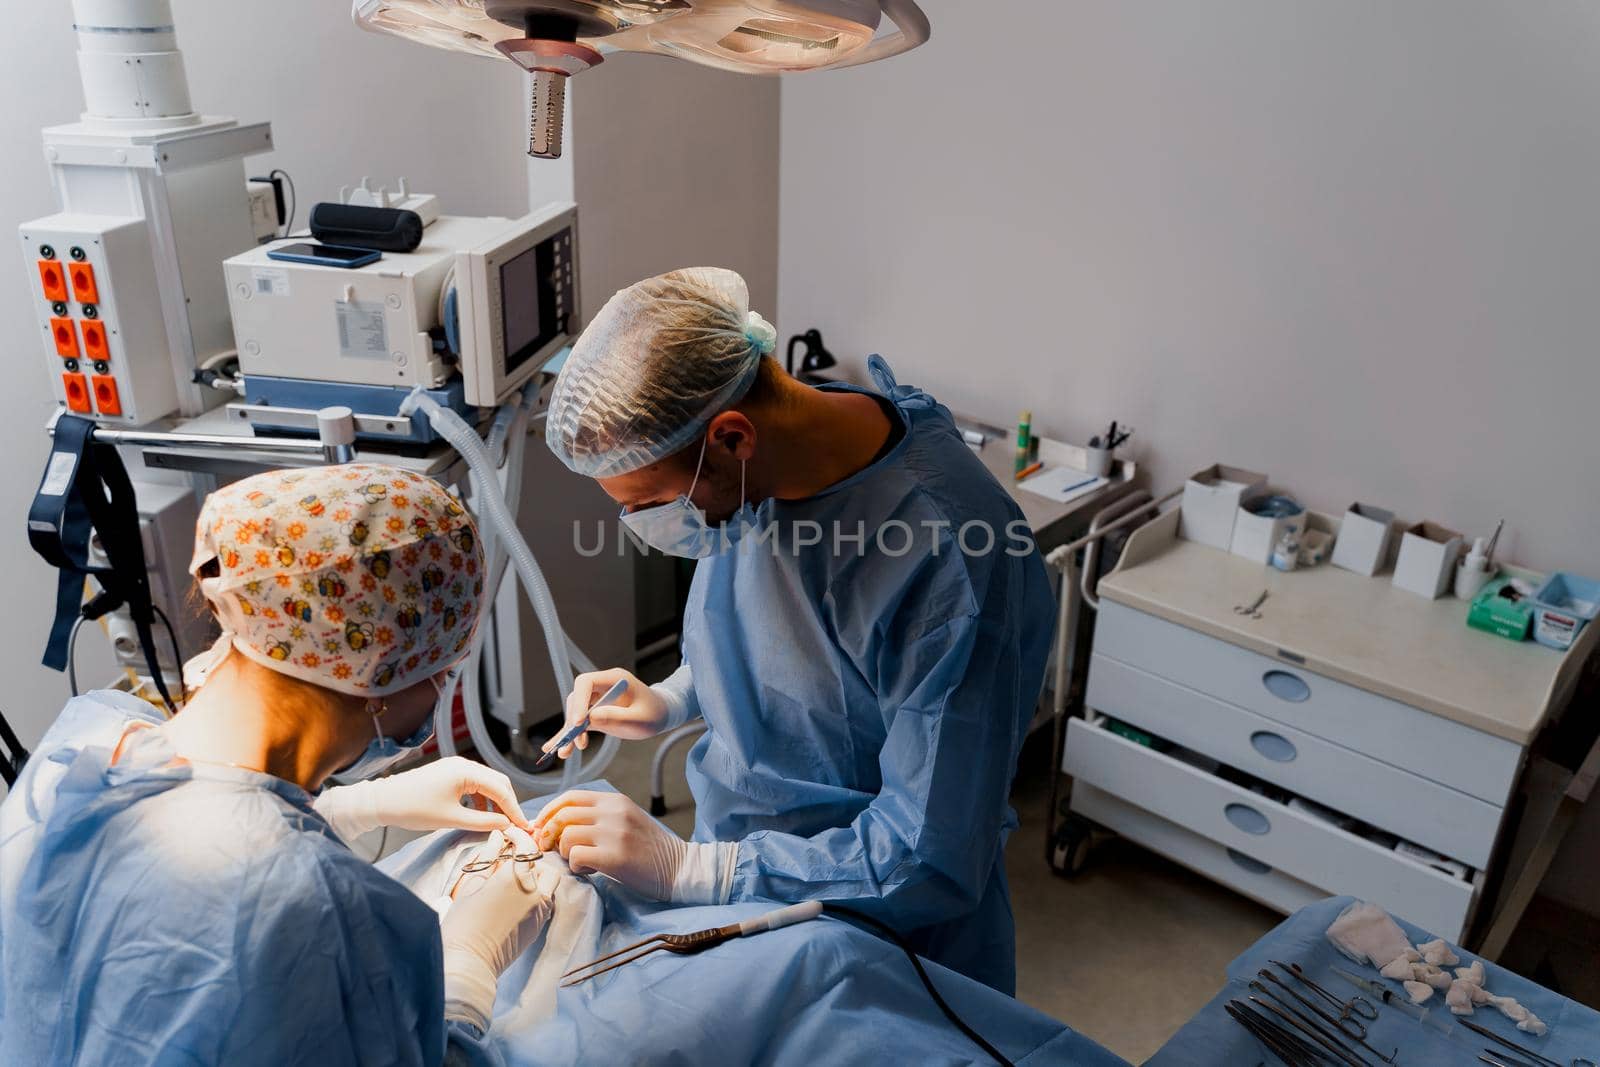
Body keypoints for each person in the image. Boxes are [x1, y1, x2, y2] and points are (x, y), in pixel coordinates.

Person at [534, 267, 1055, 993]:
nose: (643, 527)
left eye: (650, 500)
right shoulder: (769, 469)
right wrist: (677, 694)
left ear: (732, 437)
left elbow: (927, 853)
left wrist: (692, 868)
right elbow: (780, 641)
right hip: (748, 885)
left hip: (883, 934)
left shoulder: (952, 561)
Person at [0, 463, 556, 1067]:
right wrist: (469, 967)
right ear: (377, 674)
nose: (441, 688)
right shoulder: (319, 908)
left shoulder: (87, 739)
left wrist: (349, 808)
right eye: (439, 671)